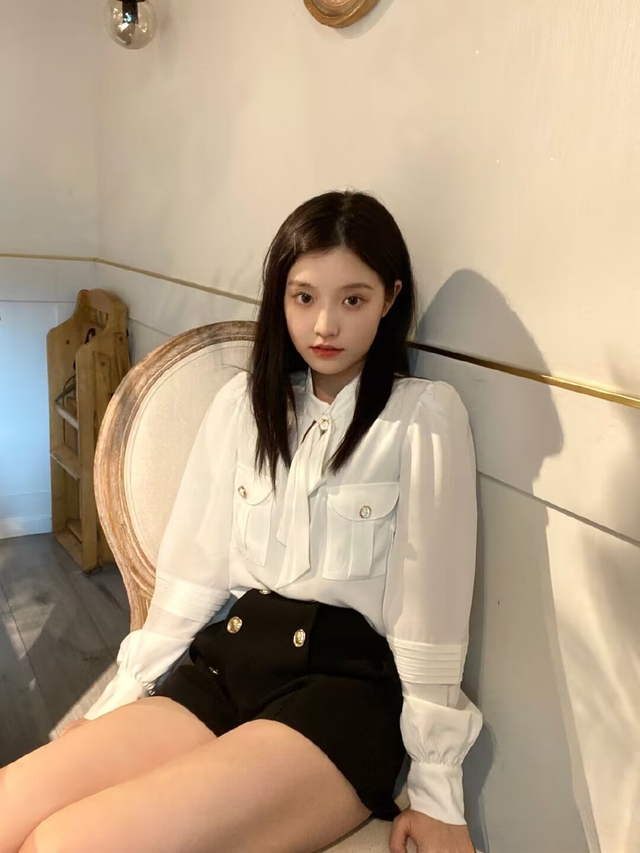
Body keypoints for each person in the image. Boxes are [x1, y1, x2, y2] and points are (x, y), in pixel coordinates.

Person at [1, 190, 482, 853]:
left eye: (353, 299)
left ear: (390, 298)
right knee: (11, 807)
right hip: (227, 660)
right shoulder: (243, 406)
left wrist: (438, 790)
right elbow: (192, 574)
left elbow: (431, 614)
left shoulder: (422, 416)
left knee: (65, 843)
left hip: (340, 692)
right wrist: (122, 697)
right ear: (280, 296)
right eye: (304, 296)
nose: (325, 324)